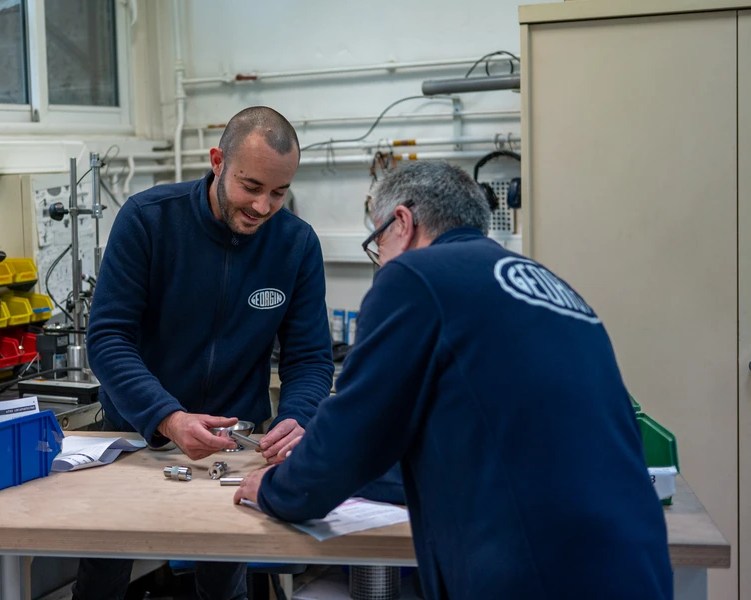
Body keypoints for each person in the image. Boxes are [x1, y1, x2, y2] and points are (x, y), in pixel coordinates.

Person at [235, 161, 673, 599]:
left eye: (377, 243)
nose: (381, 261)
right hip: (639, 565)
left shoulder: (415, 277)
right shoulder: (552, 287)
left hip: (539, 573)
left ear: (401, 223)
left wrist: (274, 489)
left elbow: (347, 446)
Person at [74, 107, 335, 600]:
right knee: (102, 581)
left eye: (279, 192)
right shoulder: (149, 220)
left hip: (236, 446)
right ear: (218, 161)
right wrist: (168, 418)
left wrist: (298, 418)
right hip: (135, 437)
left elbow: (309, 358)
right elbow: (107, 337)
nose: (263, 206)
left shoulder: (296, 244)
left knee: (225, 585)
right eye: (251, 186)